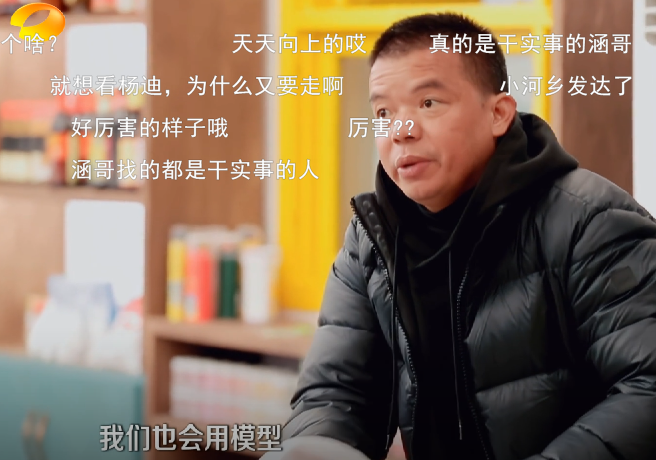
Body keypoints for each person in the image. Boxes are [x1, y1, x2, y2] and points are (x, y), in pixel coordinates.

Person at [264, 12, 656, 460]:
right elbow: (334, 395)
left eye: (428, 103)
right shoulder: (372, 239)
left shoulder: (590, 220)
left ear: (498, 114)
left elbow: (647, 389)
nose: (401, 131)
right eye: (384, 112)